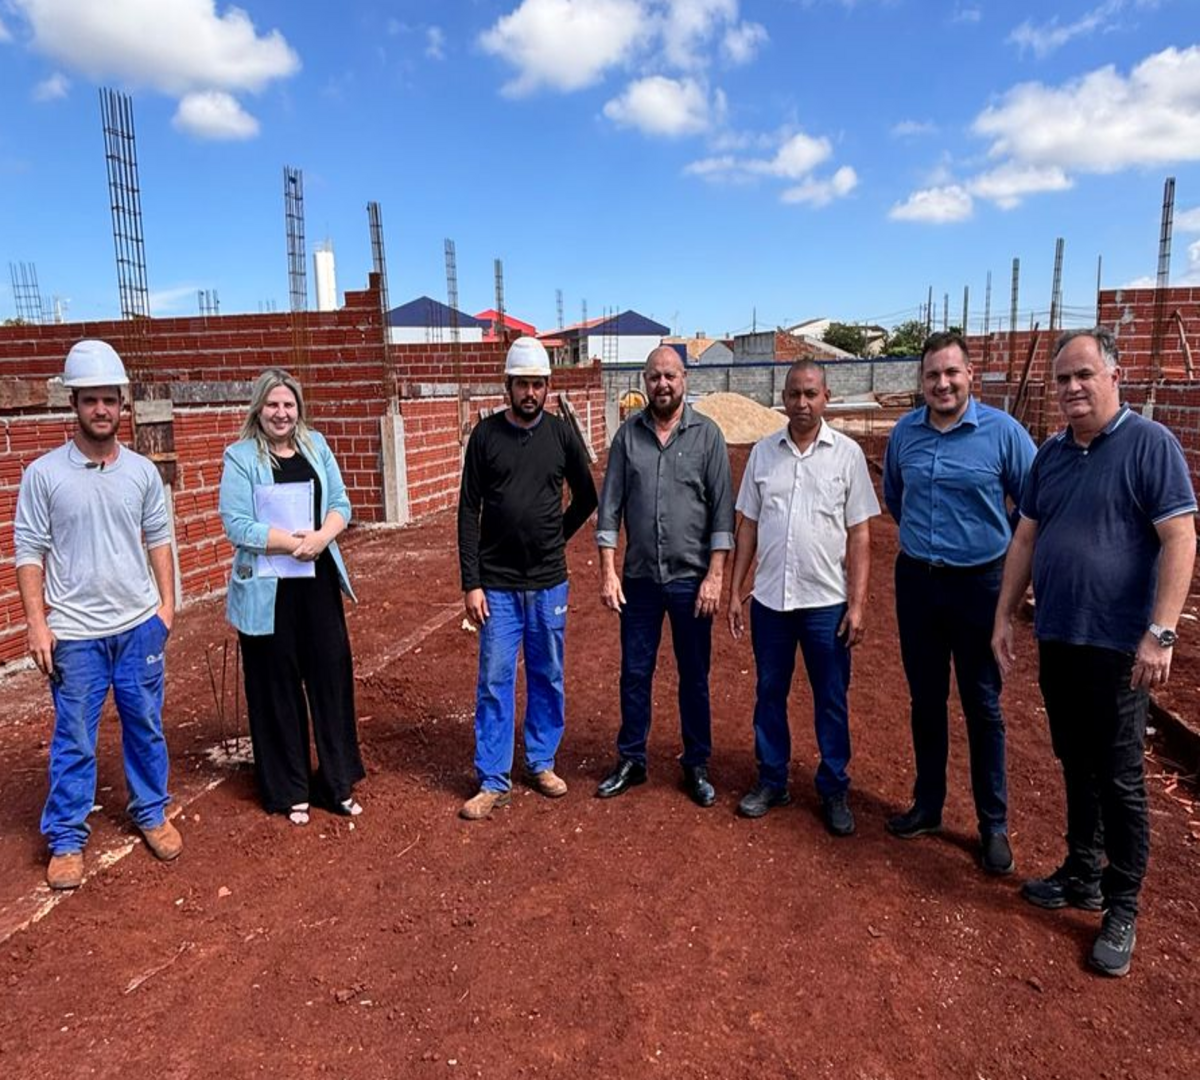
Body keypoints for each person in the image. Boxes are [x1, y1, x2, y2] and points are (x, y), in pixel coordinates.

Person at [993, 327, 1196, 978]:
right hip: (1059, 635)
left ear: (1114, 376)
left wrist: (1160, 631)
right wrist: (1003, 614)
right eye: (1062, 379)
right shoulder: (1050, 455)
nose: (1072, 387)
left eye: (1084, 374)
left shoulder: (1149, 445)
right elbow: (1025, 539)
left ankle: (1122, 904)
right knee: (1076, 762)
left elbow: (1180, 539)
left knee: (1119, 777)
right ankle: (1082, 873)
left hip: (1118, 648)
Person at [14, 340, 181, 890]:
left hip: (138, 626)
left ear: (122, 405)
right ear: (75, 403)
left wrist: (166, 605)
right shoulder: (44, 475)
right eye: (91, 400)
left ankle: (151, 811)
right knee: (75, 738)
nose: (102, 410)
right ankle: (66, 837)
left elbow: (159, 537)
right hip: (76, 635)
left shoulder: (140, 473)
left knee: (146, 726)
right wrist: (38, 623)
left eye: (110, 400)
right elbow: (28, 551)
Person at [883, 330, 1035, 874]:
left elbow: (1032, 508)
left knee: (982, 705)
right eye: (931, 375)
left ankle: (993, 825)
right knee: (925, 700)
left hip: (980, 586)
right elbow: (896, 497)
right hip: (919, 584)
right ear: (921, 382)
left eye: (951, 373)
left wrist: (1007, 566)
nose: (942, 383)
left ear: (971, 375)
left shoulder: (1004, 434)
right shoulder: (905, 434)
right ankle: (928, 806)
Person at [728, 361, 880, 835]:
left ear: (826, 396)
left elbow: (859, 535)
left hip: (826, 604)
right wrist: (736, 590)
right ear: (783, 397)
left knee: (830, 699)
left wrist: (857, 604)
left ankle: (834, 788)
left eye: (810, 394)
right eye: (793, 394)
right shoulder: (762, 454)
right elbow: (747, 526)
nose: (801, 403)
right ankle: (773, 779)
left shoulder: (847, 455)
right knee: (769, 693)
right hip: (771, 602)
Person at [455, 337, 598, 820]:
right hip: (496, 584)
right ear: (508, 386)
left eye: (538, 384)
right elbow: (467, 510)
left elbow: (586, 496)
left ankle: (541, 761)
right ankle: (492, 778)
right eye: (522, 384)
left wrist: (555, 537)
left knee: (547, 674)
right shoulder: (485, 437)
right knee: (495, 679)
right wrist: (470, 582)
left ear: (546, 386)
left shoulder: (561, 435)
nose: (530, 392)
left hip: (548, 582)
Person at [218, 368, 364, 826]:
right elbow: (236, 524)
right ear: (258, 409)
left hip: (316, 582)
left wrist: (321, 537)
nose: (281, 413)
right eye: (272, 405)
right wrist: (291, 543)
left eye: (288, 405)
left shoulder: (316, 445)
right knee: (275, 685)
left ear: (298, 408)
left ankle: (337, 782)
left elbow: (341, 502)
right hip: (267, 588)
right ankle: (290, 788)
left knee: (330, 676)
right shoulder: (240, 457)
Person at [595, 345, 734, 806]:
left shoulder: (708, 437)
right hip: (639, 580)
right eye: (654, 377)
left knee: (694, 675)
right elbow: (609, 511)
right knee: (635, 673)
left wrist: (715, 577)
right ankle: (632, 759)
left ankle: (696, 763)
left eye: (670, 376)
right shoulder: (626, 439)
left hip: (691, 581)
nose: (662, 385)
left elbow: (721, 516)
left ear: (684, 380)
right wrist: (608, 574)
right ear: (644, 381)